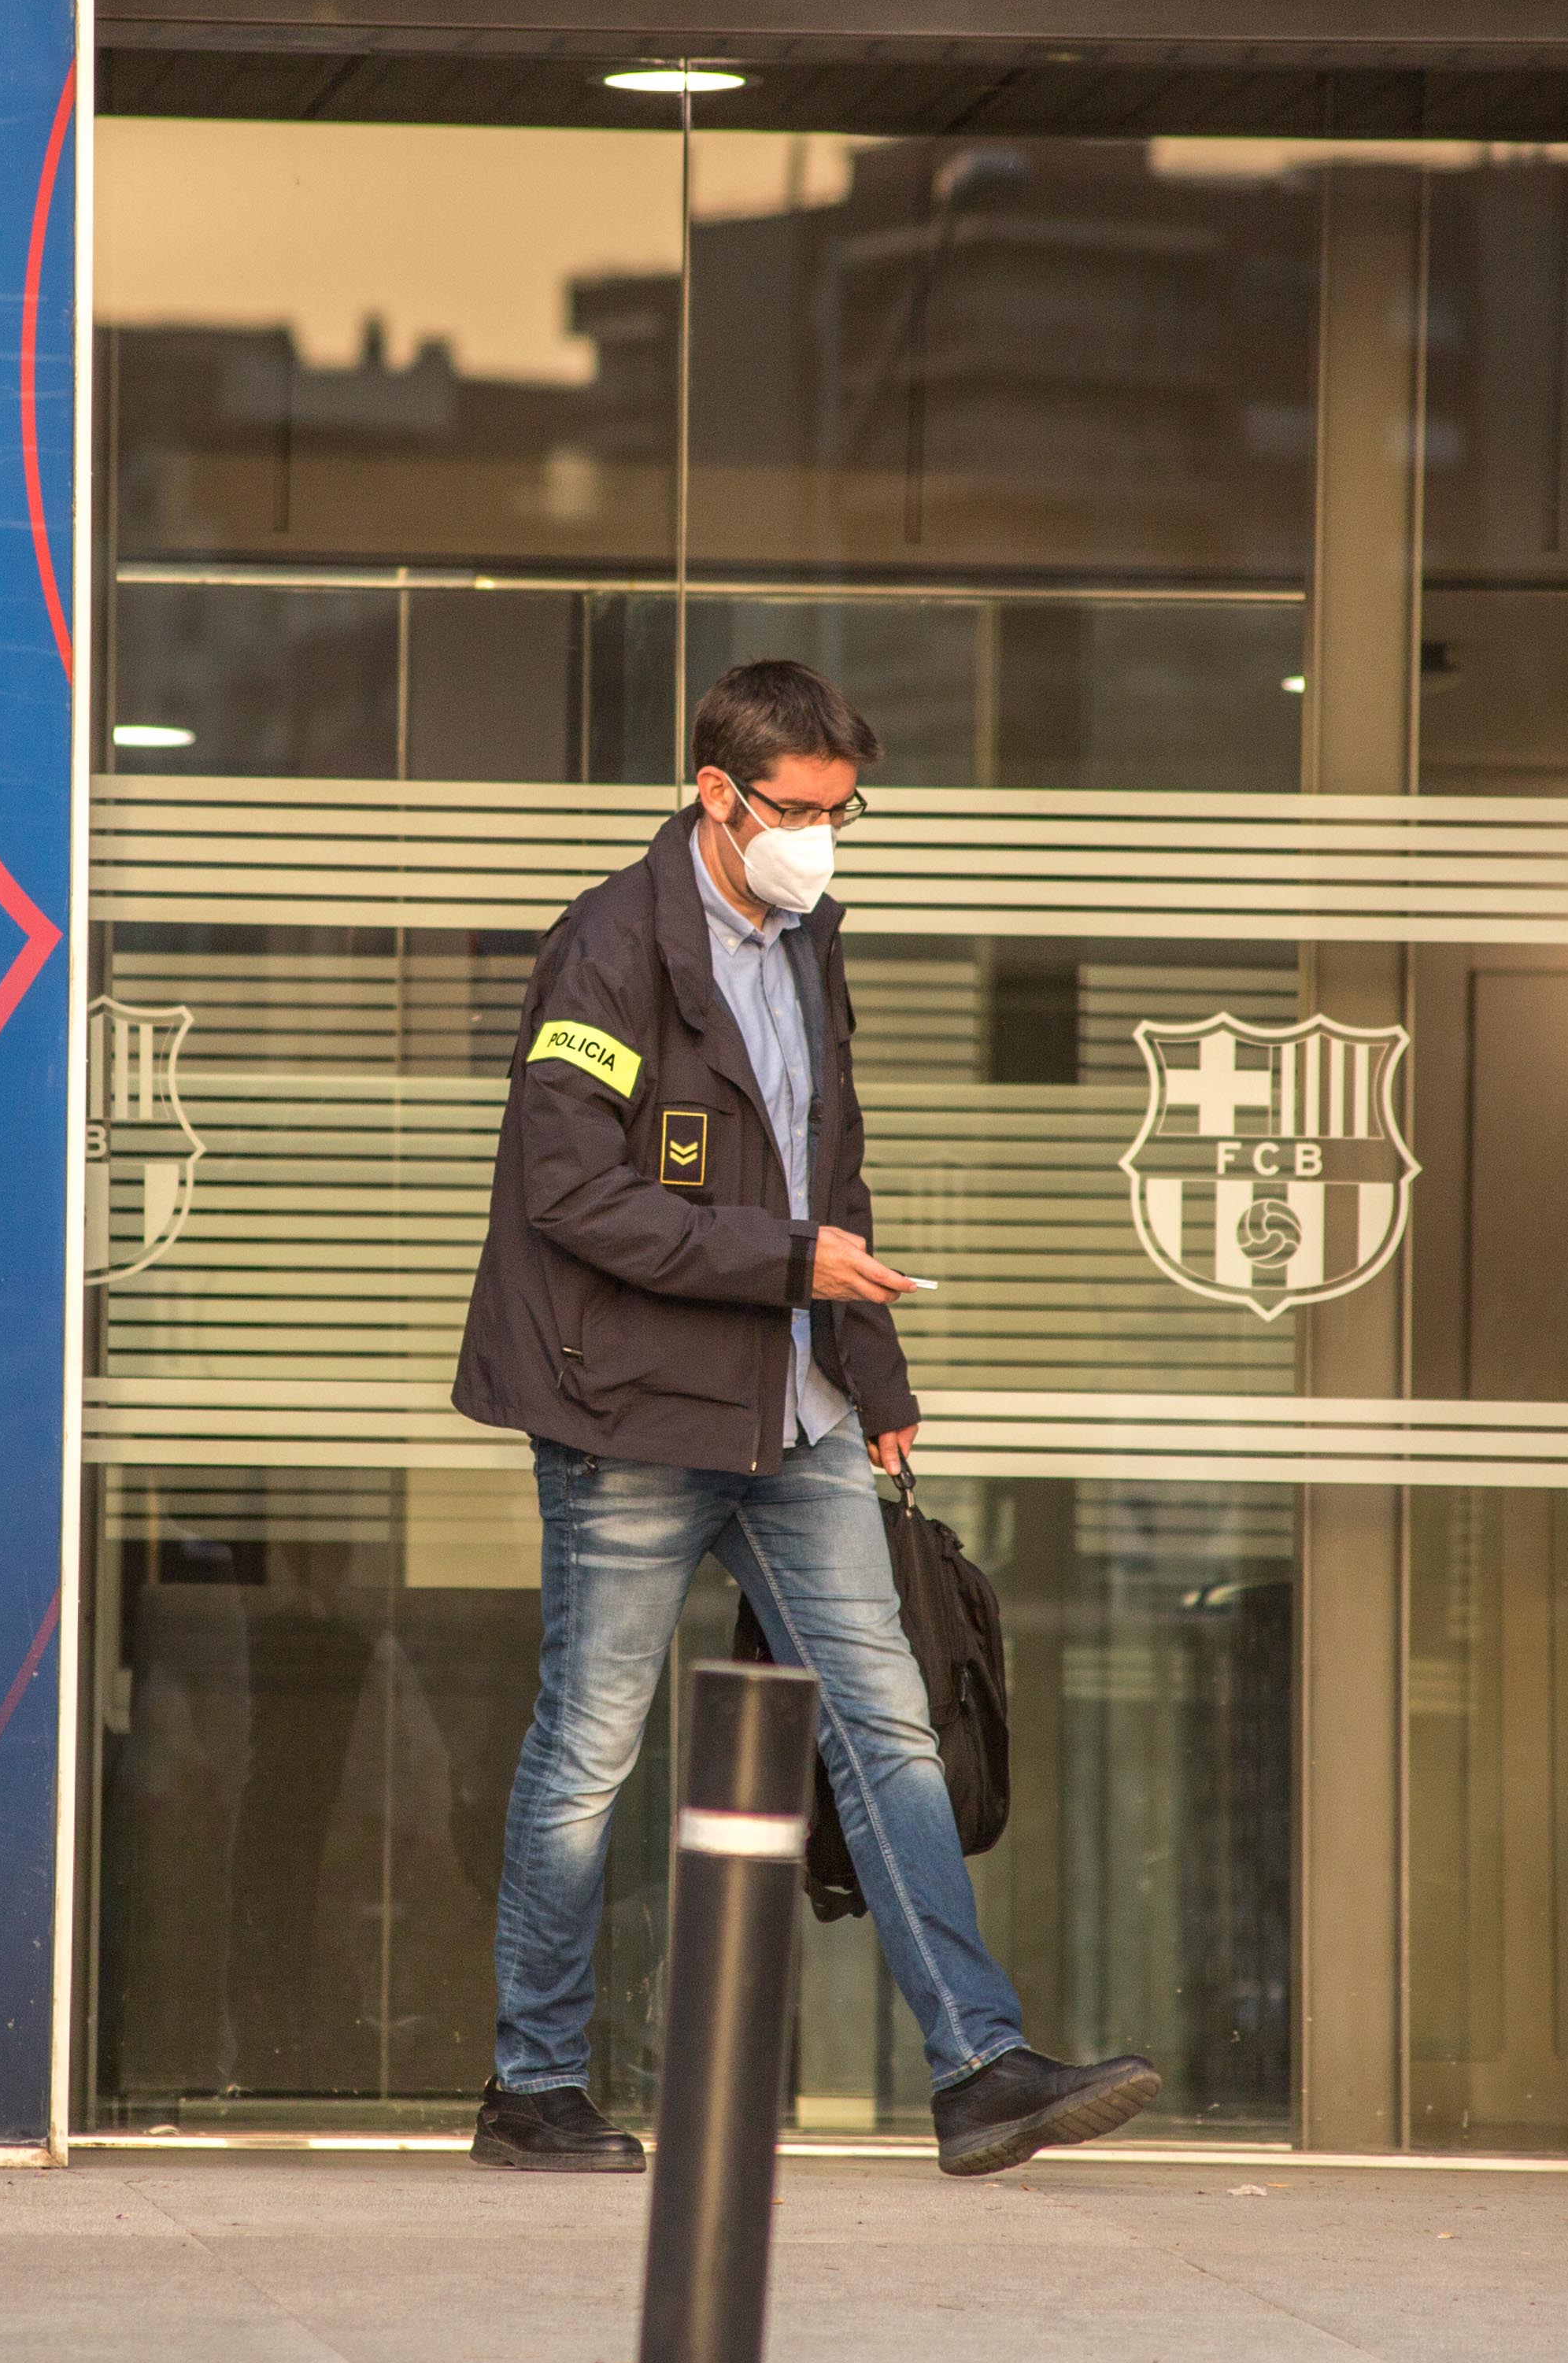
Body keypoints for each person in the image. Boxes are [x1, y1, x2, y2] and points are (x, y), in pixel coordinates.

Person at [452, 659, 1162, 2179]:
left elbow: (830, 1176)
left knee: (889, 1723)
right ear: (717, 792)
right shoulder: (609, 946)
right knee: (590, 1748)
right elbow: (570, 1190)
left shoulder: (805, 939)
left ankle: (978, 2066)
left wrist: (878, 1376)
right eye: (800, 810)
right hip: (629, 1408)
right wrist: (791, 1263)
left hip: (798, 1406)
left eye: (847, 811)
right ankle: (534, 2083)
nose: (825, 838)